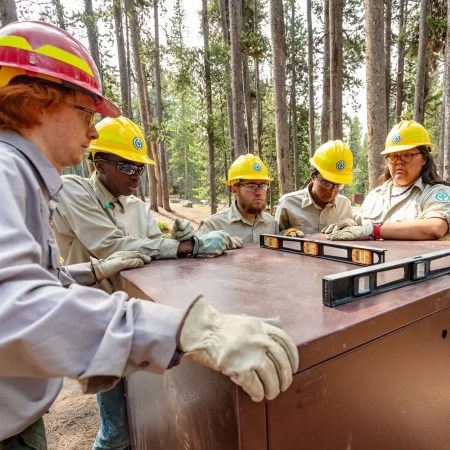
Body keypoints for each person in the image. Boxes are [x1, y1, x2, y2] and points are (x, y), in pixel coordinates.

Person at [0, 20, 298, 449]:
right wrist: (192, 330)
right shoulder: (8, 171)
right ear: (39, 103)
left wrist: (92, 270)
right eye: (86, 111)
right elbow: (13, 311)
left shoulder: (23, 175)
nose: (93, 130)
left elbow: (31, 284)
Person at [52, 115, 238, 450]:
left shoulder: (137, 207)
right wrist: (188, 247)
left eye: (139, 167)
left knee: (143, 417)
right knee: (117, 431)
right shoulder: (73, 192)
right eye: (127, 166)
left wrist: (185, 236)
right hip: (99, 325)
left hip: (137, 320)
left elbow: (157, 253)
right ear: (99, 163)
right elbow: (113, 245)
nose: (136, 174)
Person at [322, 120, 450, 240]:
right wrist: (351, 222)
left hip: (410, 263)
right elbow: (362, 225)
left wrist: (375, 230)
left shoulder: (436, 193)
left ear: (424, 159)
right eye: (393, 156)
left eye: (407, 155)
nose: (399, 162)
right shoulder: (375, 196)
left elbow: (436, 227)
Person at [275, 140, 354, 237]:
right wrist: (286, 233)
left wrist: (351, 226)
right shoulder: (288, 203)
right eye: (326, 183)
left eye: (338, 185)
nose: (332, 190)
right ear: (313, 177)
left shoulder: (345, 206)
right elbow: (274, 236)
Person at [198, 153, 279, 243]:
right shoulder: (213, 226)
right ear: (234, 189)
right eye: (251, 186)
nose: (259, 192)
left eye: (263, 186)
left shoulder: (272, 225)